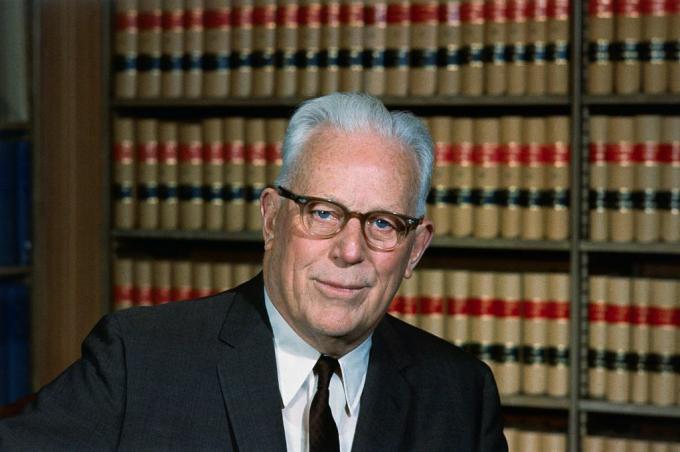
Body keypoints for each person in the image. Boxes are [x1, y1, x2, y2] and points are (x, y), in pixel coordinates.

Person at [0, 93, 507, 451]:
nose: (350, 250)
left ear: (415, 250)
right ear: (271, 219)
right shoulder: (139, 360)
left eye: (383, 223)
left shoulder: (459, 394)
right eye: (324, 212)